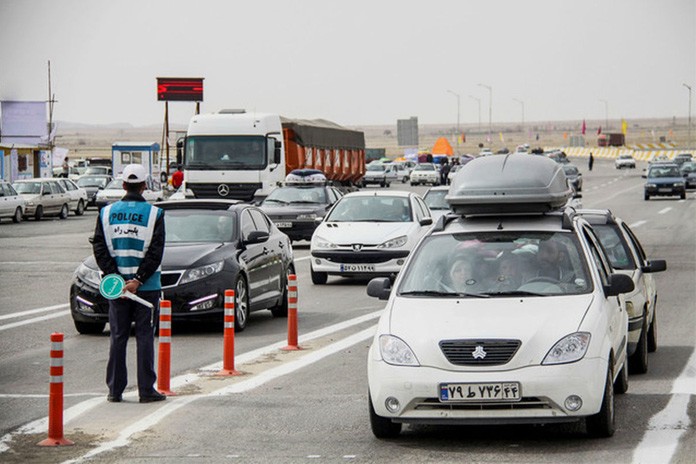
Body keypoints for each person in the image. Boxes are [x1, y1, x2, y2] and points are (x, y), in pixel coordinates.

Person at [92, 164, 166, 404]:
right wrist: (138, 280)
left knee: (118, 336)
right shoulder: (156, 214)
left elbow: (100, 249)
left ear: (123, 185)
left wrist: (117, 279)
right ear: (145, 186)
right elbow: (156, 252)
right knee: (145, 336)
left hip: (116, 288)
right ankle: (146, 391)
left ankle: (115, 390)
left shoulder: (106, 213)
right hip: (147, 288)